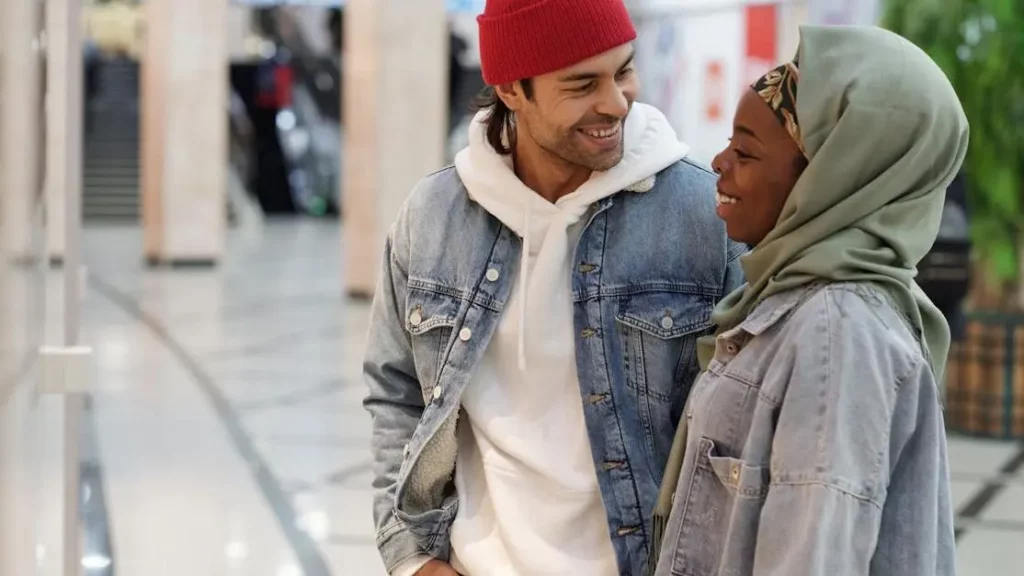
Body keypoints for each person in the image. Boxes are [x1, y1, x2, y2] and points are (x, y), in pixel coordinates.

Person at [362, 0, 745, 574]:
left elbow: (748, 427)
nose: (616, 102)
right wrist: (413, 559)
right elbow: (395, 393)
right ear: (513, 90)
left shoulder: (702, 215)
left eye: (623, 69)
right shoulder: (435, 216)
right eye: (582, 83)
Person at [651, 25, 967, 576]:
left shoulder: (837, 334)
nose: (719, 162)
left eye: (745, 151)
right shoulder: (789, 303)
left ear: (827, 180)